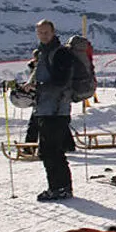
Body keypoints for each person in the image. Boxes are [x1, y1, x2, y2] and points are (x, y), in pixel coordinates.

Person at [24, 19, 75, 201]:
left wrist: (39, 86)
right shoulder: (43, 53)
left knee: (52, 151)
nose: (43, 36)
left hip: (56, 109)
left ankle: (59, 188)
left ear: (53, 32)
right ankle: (60, 187)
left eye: (46, 32)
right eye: (40, 33)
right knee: (50, 151)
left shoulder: (60, 53)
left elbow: (62, 81)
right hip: (45, 108)